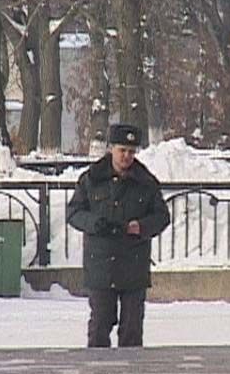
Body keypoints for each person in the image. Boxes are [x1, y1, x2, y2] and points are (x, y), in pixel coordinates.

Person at [67, 123, 170, 348]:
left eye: (131, 152)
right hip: (101, 266)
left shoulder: (146, 182)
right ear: (111, 149)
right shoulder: (91, 179)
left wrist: (141, 226)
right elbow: (73, 212)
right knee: (99, 326)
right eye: (122, 150)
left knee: (132, 330)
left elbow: (162, 217)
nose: (126, 156)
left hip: (134, 266)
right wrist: (95, 223)